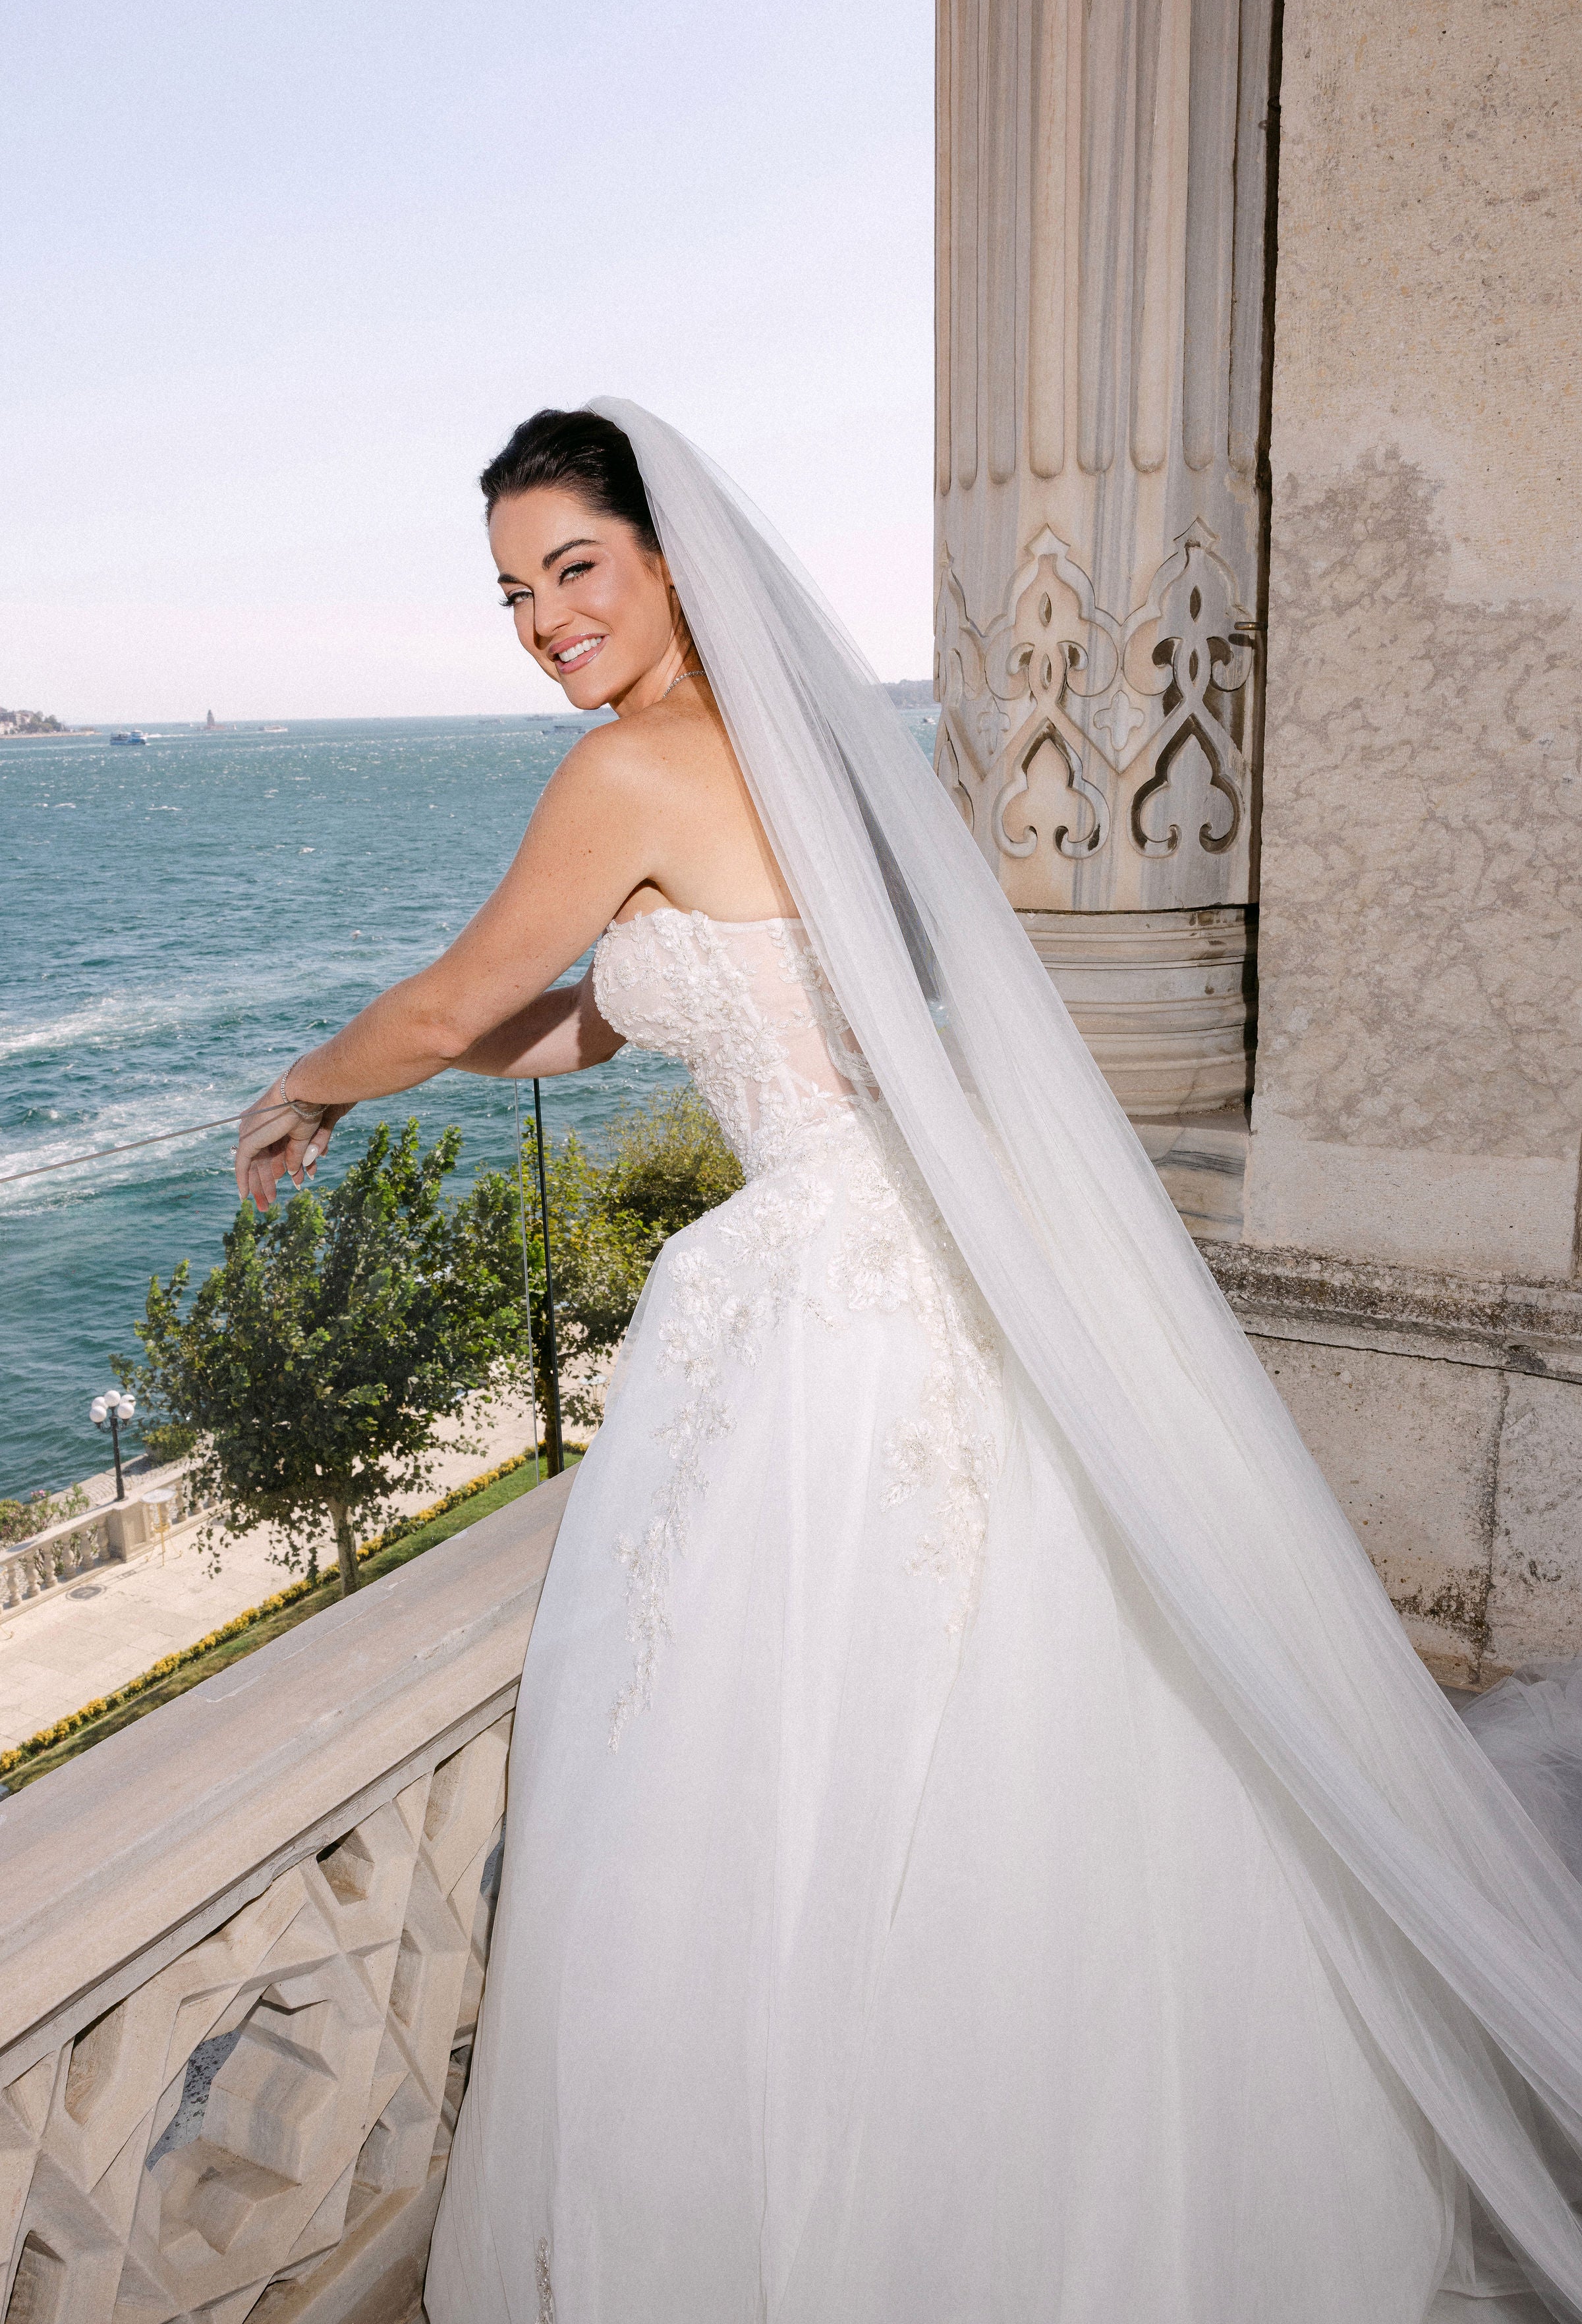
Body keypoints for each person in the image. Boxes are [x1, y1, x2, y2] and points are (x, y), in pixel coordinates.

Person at [236, 405, 1582, 2324]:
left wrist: (305, 1084)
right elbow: (589, 1026)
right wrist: (417, 1079)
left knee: (781, 1740)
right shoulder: (807, 758)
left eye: (573, 568)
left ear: (668, 555)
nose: (543, 620)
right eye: (515, 592)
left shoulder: (627, 775)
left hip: (814, 1288)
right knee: (1005, 1722)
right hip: (931, 1251)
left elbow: (463, 993)